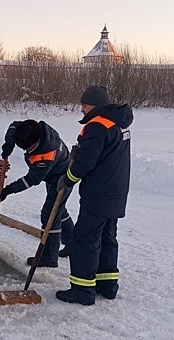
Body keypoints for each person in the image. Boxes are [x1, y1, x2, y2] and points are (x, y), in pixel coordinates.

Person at [55, 85, 133, 306]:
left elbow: (86, 163)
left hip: (98, 193)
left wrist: (68, 178)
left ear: (96, 106)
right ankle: (107, 286)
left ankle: (82, 291)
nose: (82, 109)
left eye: (85, 105)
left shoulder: (97, 126)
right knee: (107, 238)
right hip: (117, 191)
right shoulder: (119, 124)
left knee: (84, 240)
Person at [0, 120, 75, 267]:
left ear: (35, 143)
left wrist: (8, 190)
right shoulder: (35, 128)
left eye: (27, 149)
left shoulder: (45, 155)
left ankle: (50, 258)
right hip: (56, 169)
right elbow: (14, 125)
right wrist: (9, 143)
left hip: (61, 178)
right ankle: (72, 244)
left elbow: (30, 180)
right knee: (58, 210)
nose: (26, 152)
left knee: (49, 214)